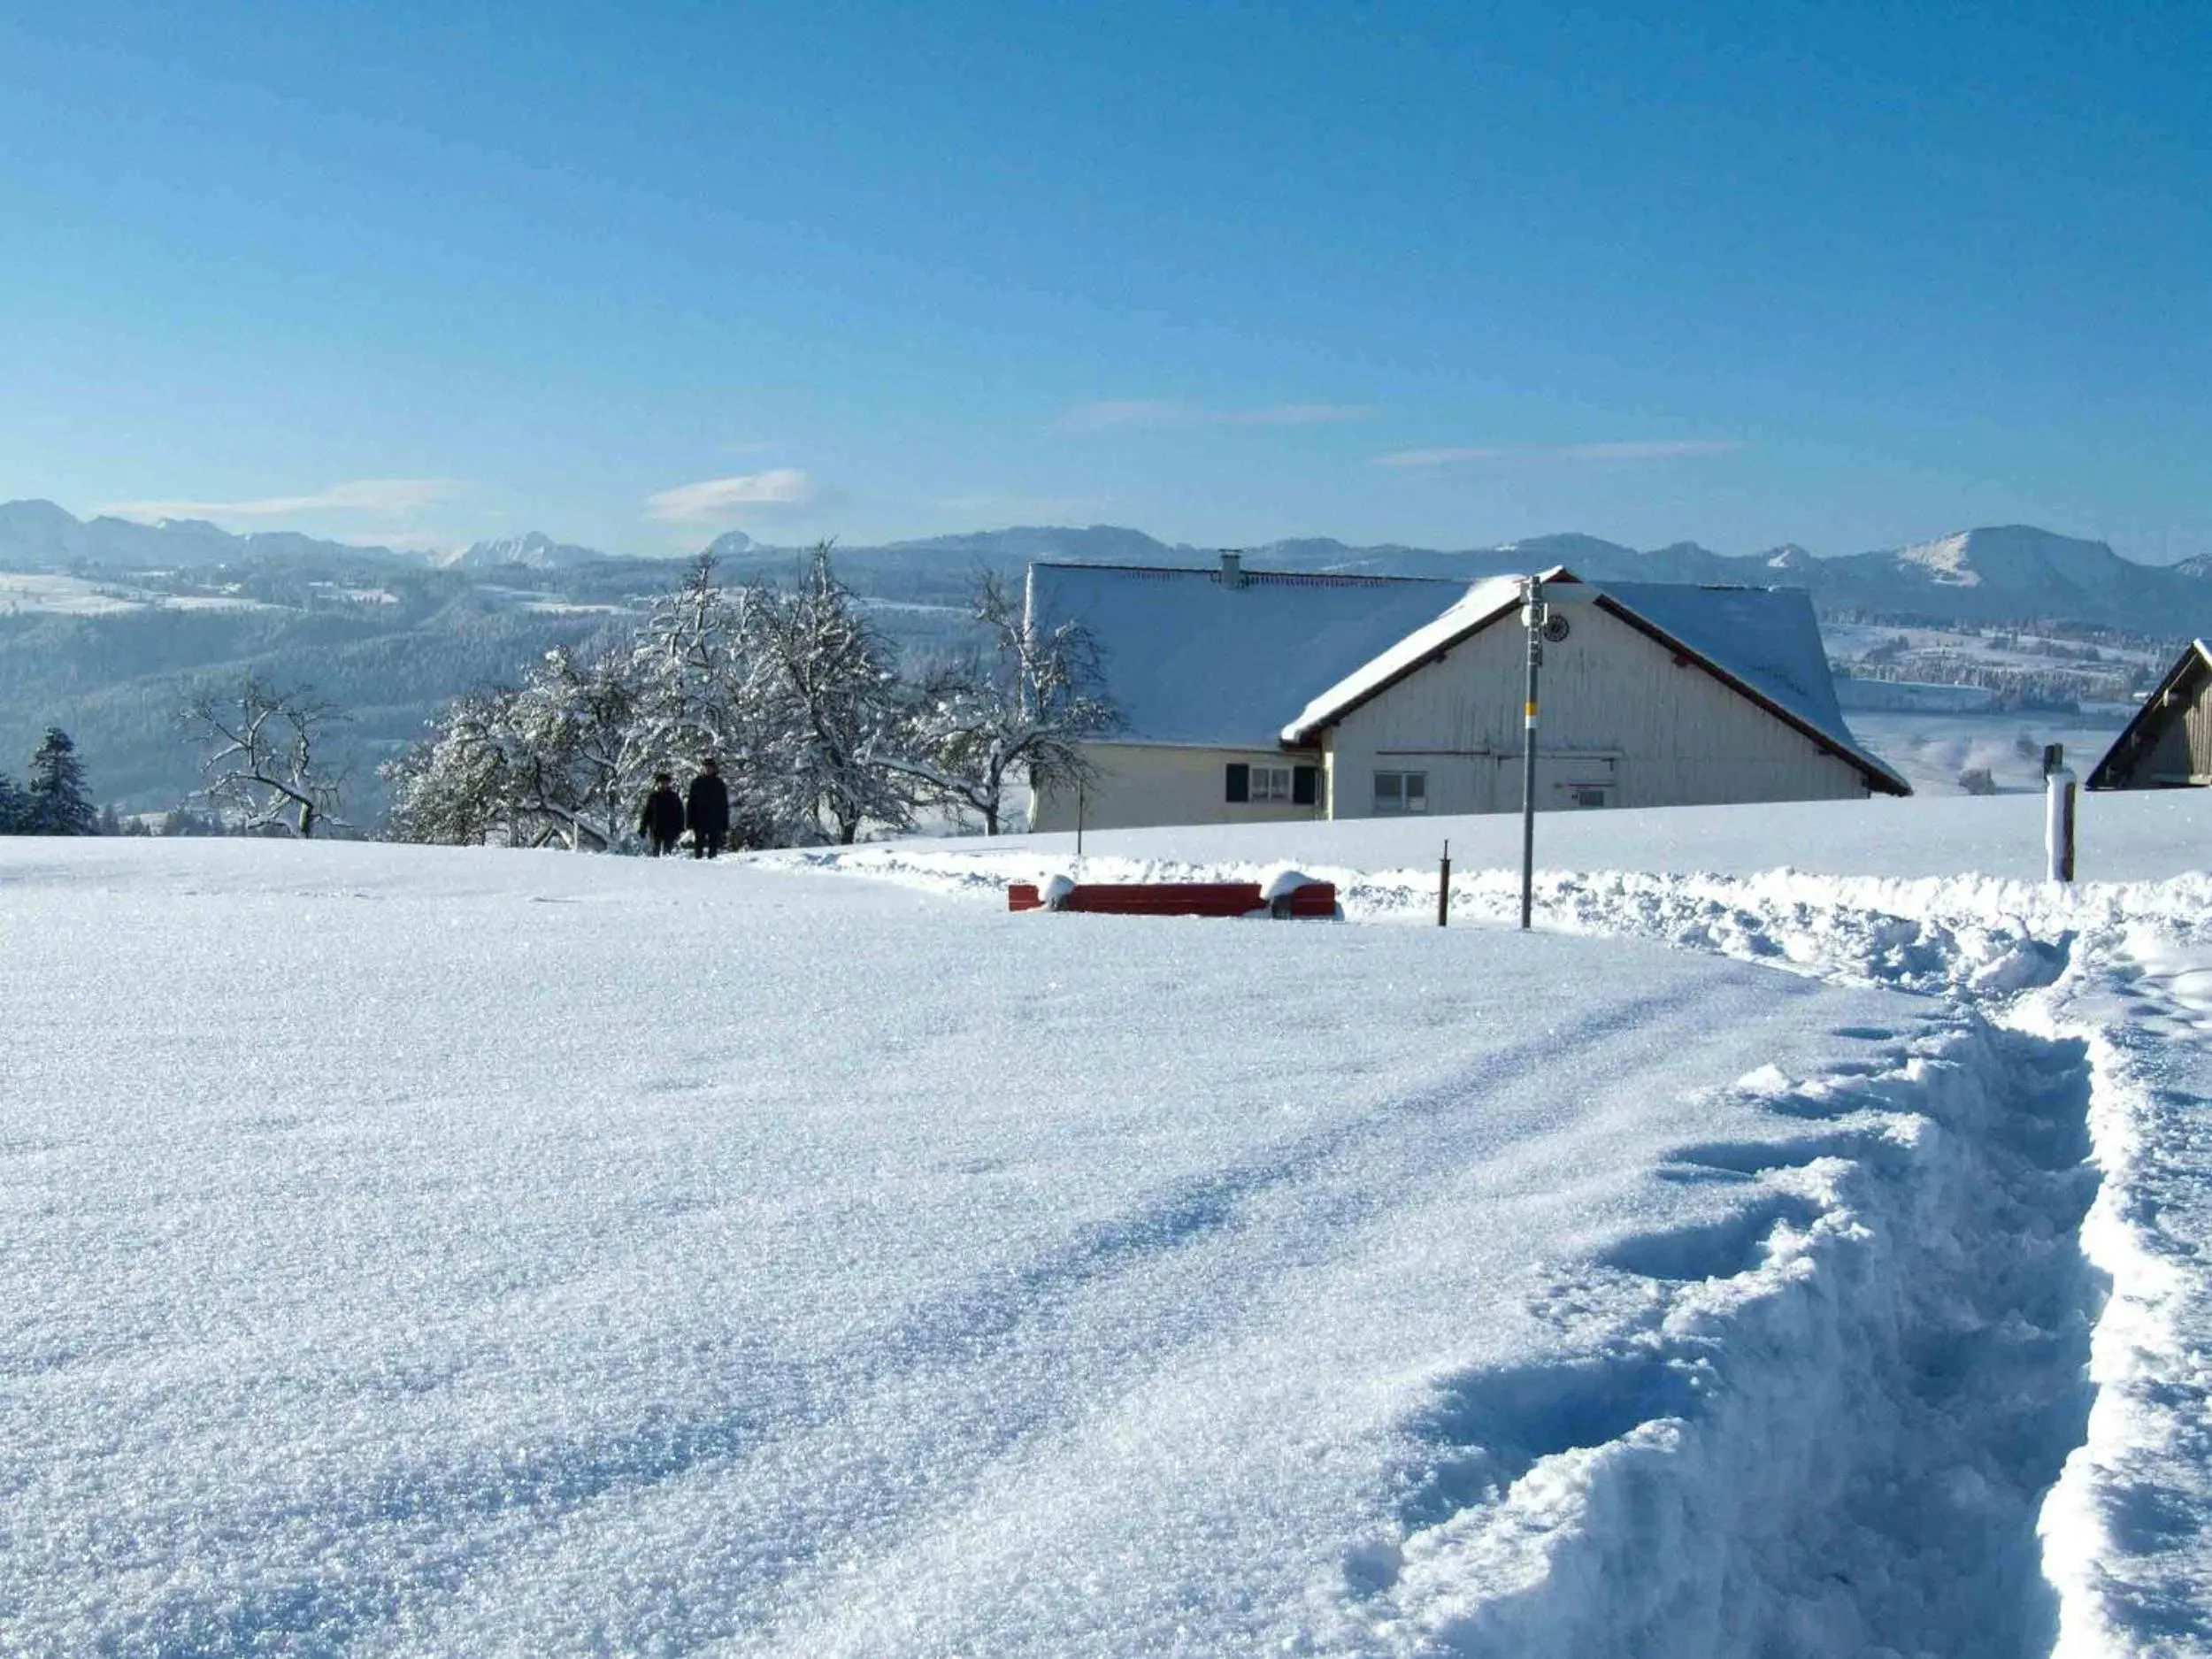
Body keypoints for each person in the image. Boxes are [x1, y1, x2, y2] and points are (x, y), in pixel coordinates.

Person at [686, 757, 731, 859]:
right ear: (702, 768)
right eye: (706, 767)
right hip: (699, 819)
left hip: (714, 819)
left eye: (710, 767)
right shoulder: (696, 783)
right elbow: (691, 803)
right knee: (698, 846)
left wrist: (725, 823)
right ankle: (698, 864)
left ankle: (712, 865)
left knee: (713, 847)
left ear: (714, 769)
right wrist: (689, 821)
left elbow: (724, 805)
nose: (708, 769)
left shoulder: (719, 784)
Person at [637, 770, 685, 856]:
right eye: (661, 782)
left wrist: (680, 828)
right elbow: (647, 813)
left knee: (667, 852)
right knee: (655, 851)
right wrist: (643, 827)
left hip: (670, 829)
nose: (663, 784)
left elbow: (680, 814)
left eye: (665, 782)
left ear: (668, 784)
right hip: (656, 828)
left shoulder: (673, 797)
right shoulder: (653, 797)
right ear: (658, 784)